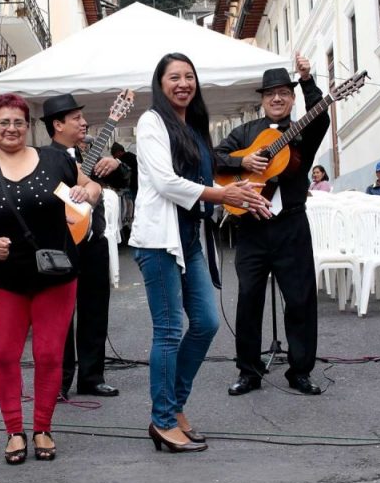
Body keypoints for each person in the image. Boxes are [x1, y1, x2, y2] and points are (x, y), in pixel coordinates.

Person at [130, 53, 271, 453]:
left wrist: (240, 198)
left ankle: (173, 408)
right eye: (174, 77)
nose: (182, 83)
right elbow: (165, 182)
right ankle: (162, 419)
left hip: (191, 237)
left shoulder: (193, 126)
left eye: (189, 76)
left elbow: (206, 182)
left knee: (207, 323)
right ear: (160, 84)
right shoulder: (151, 122)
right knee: (170, 329)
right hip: (159, 241)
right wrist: (222, 193)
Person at [0, 94, 101, 464]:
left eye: (18, 122)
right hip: (6, 278)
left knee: (49, 355)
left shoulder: (55, 160)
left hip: (56, 275)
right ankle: (13, 431)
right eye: (2, 122)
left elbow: (93, 189)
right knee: (4, 356)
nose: (11, 129)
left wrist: (87, 192)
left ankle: (42, 428)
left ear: (28, 126)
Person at [214, 56, 329, 396]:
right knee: (248, 298)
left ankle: (301, 370)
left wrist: (308, 81)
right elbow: (213, 157)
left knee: (300, 300)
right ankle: (248, 371)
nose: (277, 99)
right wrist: (241, 160)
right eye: (270, 94)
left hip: (291, 224)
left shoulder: (303, 132)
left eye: (283, 93)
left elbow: (320, 116)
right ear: (262, 100)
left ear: (292, 99)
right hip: (251, 226)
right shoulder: (245, 133)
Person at [41, 94, 123, 400]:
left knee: (95, 310)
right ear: (58, 124)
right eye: (76, 118)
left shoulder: (91, 153)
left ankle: (92, 376)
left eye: (82, 117)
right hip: (62, 243)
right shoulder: (43, 158)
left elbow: (126, 180)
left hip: (94, 243)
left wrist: (117, 163)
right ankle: (60, 381)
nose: (83, 122)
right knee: (60, 314)